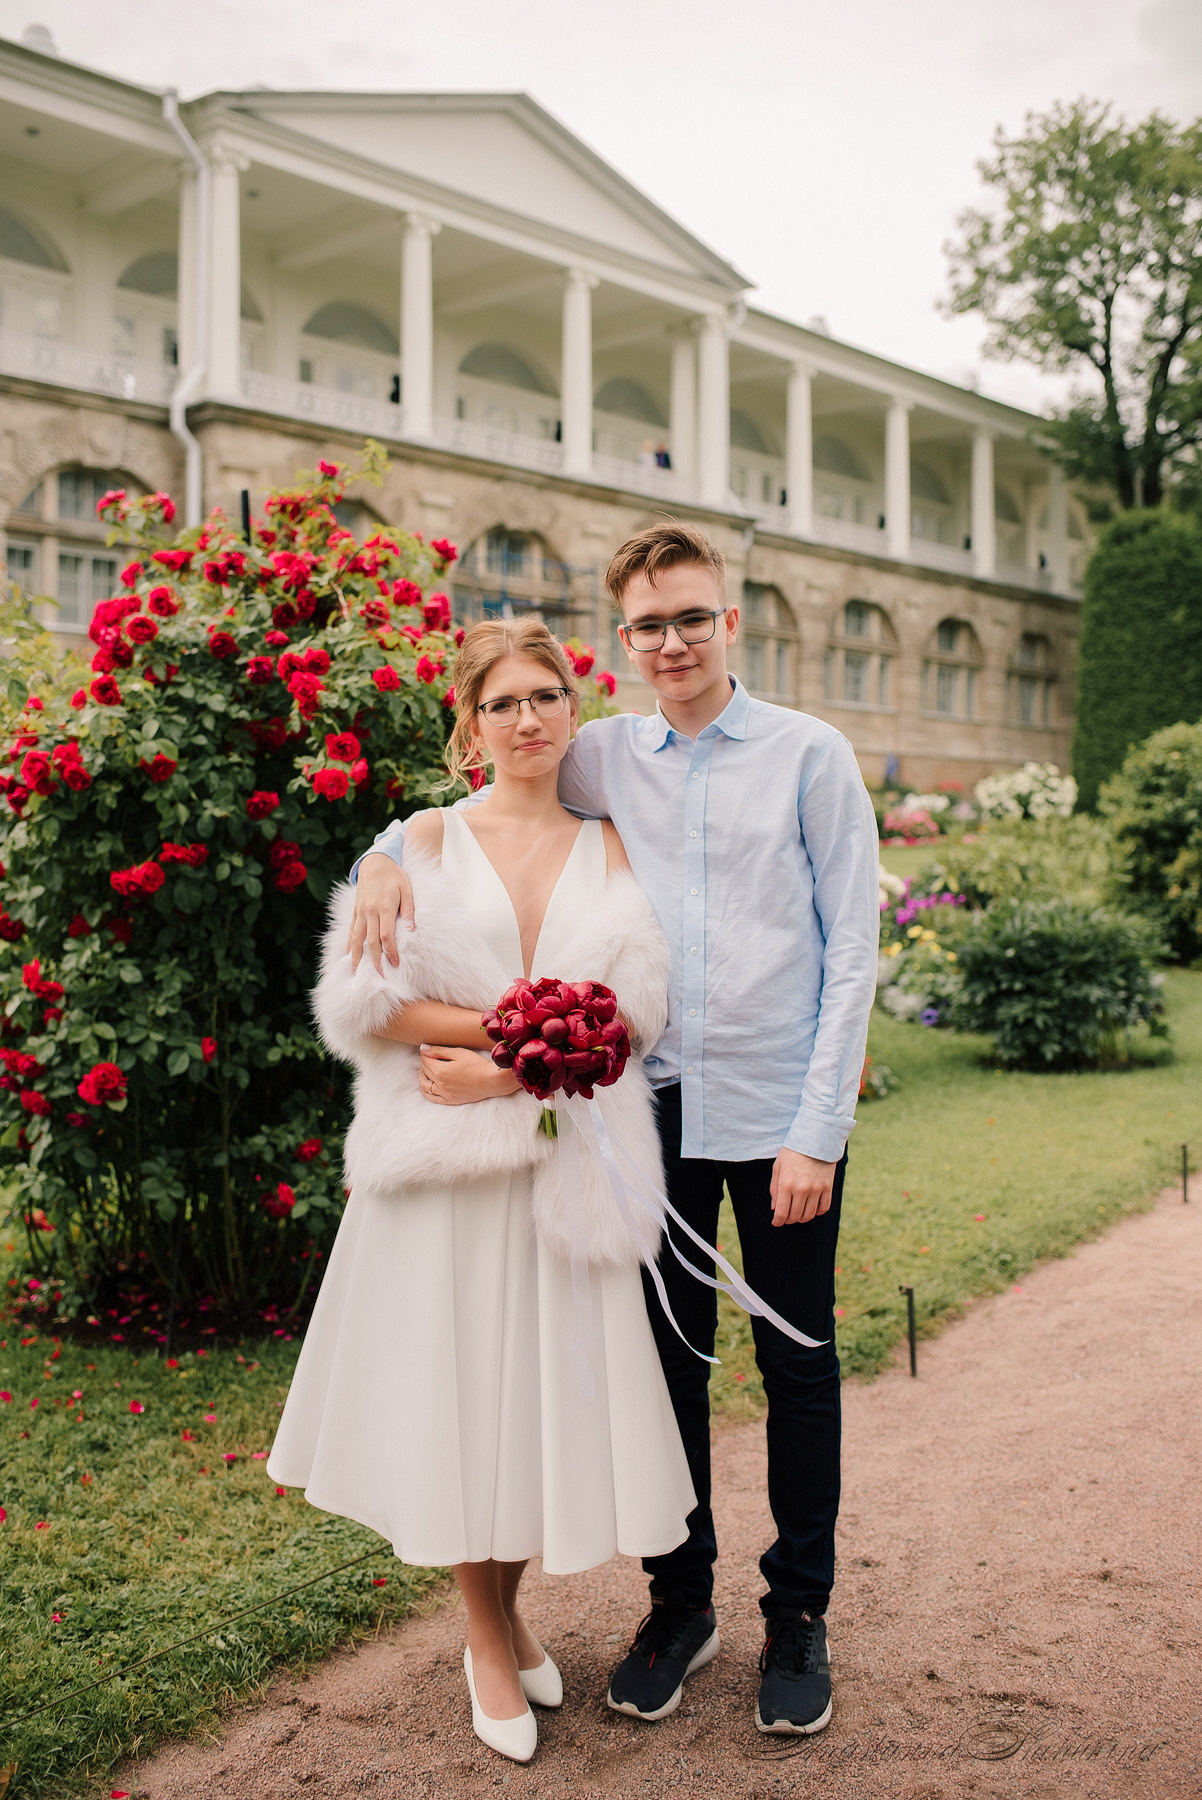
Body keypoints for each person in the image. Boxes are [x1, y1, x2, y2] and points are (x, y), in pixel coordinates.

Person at [347, 522, 879, 1737]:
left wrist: (818, 1130)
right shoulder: (603, 755)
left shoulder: (809, 753)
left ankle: (794, 1617)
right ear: (622, 640)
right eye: (647, 625)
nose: (672, 642)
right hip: (644, 1111)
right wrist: (381, 853)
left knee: (796, 1364)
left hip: (777, 1109)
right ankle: (677, 1602)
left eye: (691, 617)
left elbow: (851, 947)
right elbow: (480, 790)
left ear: (726, 621)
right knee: (668, 1364)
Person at [267, 618, 695, 1766]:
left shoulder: (614, 847)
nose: (526, 719)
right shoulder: (418, 842)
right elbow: (368, 1007)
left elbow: (629, 1015)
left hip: (564, 1165)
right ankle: (484, 1638)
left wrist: (517, 1062)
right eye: (501, 702)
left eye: (545, 696)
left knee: (525, 1398)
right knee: (462, 1394)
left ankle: (505, 1609)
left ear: (573, 707)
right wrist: (519, 1024)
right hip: (441, 1169)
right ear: (471, 723)